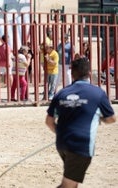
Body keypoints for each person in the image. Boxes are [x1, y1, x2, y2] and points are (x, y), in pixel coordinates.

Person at [45, 57, 116, 188]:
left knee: (73, 181)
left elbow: (49, 121)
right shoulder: (98, 93)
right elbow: (111, 118)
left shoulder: (61, 93)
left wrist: (61, 132)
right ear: (89, 74)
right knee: (68, 184)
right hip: (81, 145)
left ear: (72, 74)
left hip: (62, 143)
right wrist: (98, 117)